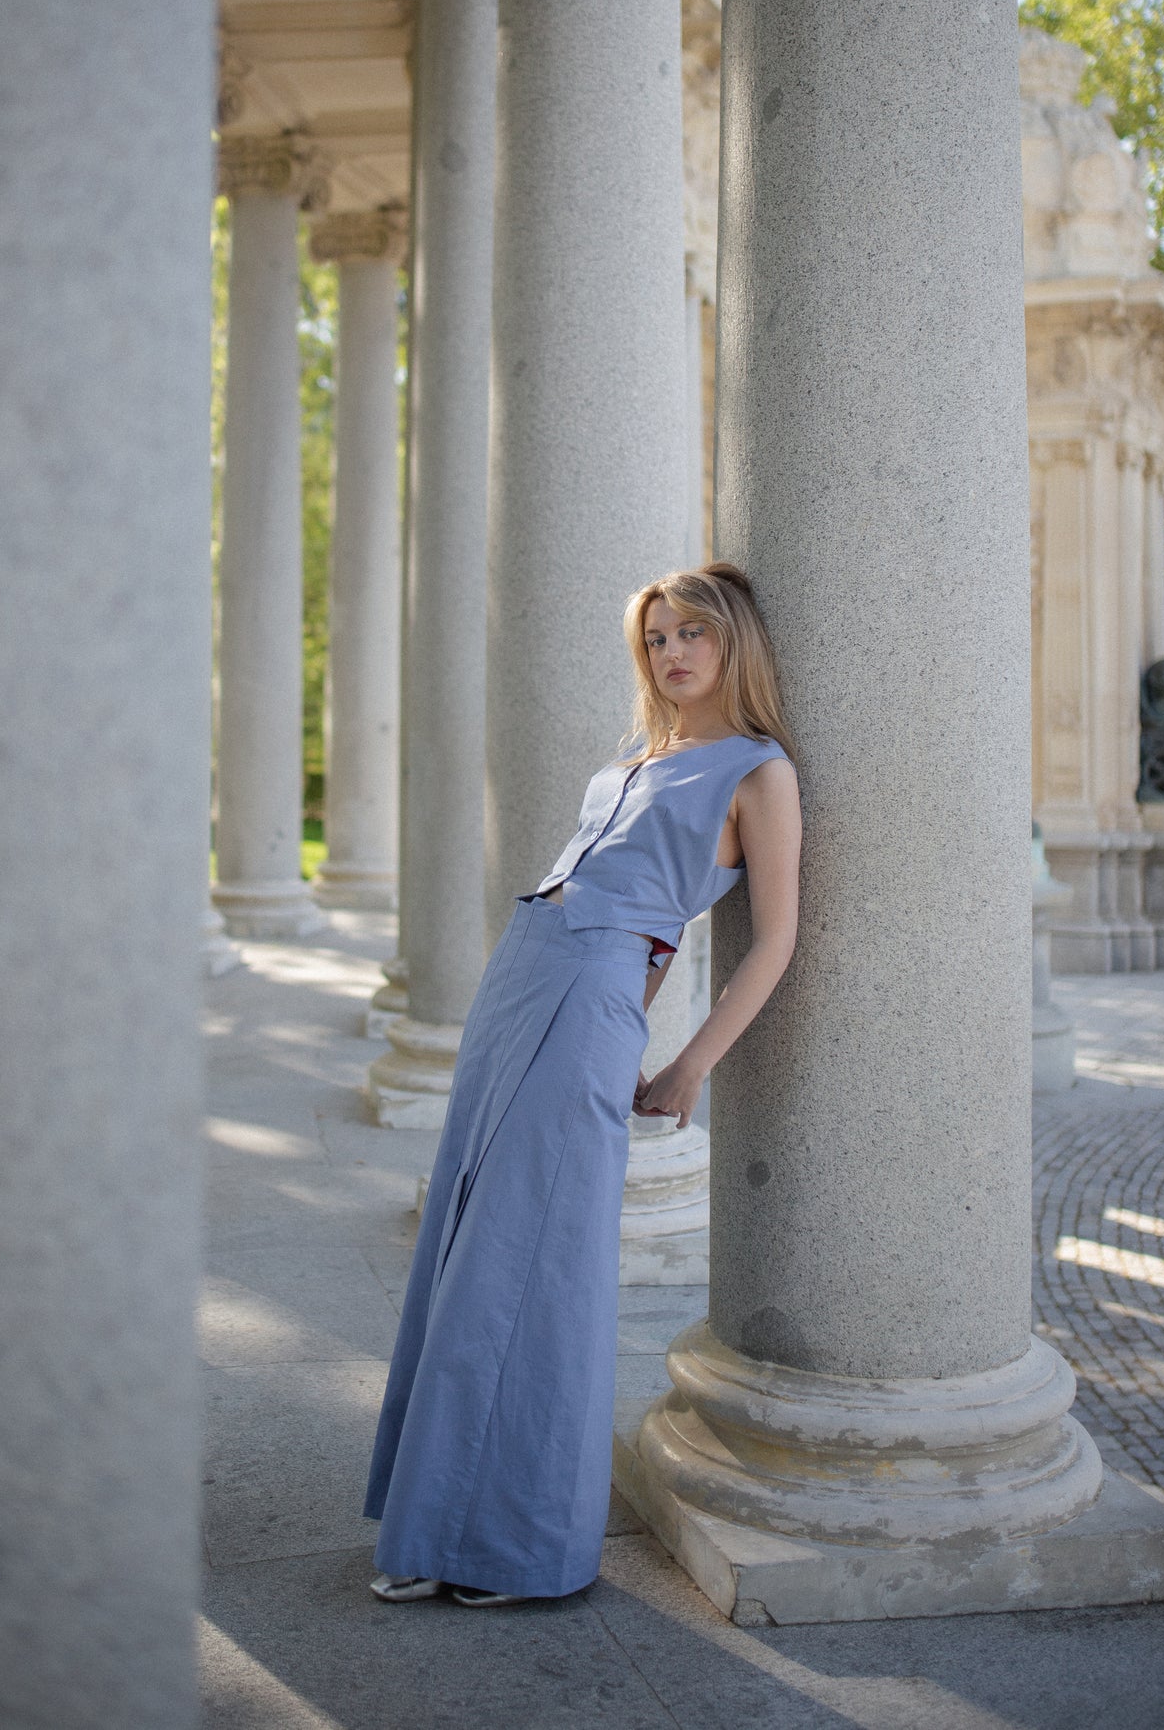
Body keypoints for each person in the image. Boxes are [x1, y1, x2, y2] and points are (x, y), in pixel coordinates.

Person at [363, 562, 803, 1607]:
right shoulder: (632, 759)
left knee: (536, 1260)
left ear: (731, 642)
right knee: (469, 1244)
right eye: (656, 638)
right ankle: (438, 1516)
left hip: (588, 995)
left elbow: (773, 940)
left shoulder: (757, 770)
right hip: (521, 976)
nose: (672, 652)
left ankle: (509, 1543)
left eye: (692, 632)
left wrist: (685, 1063)